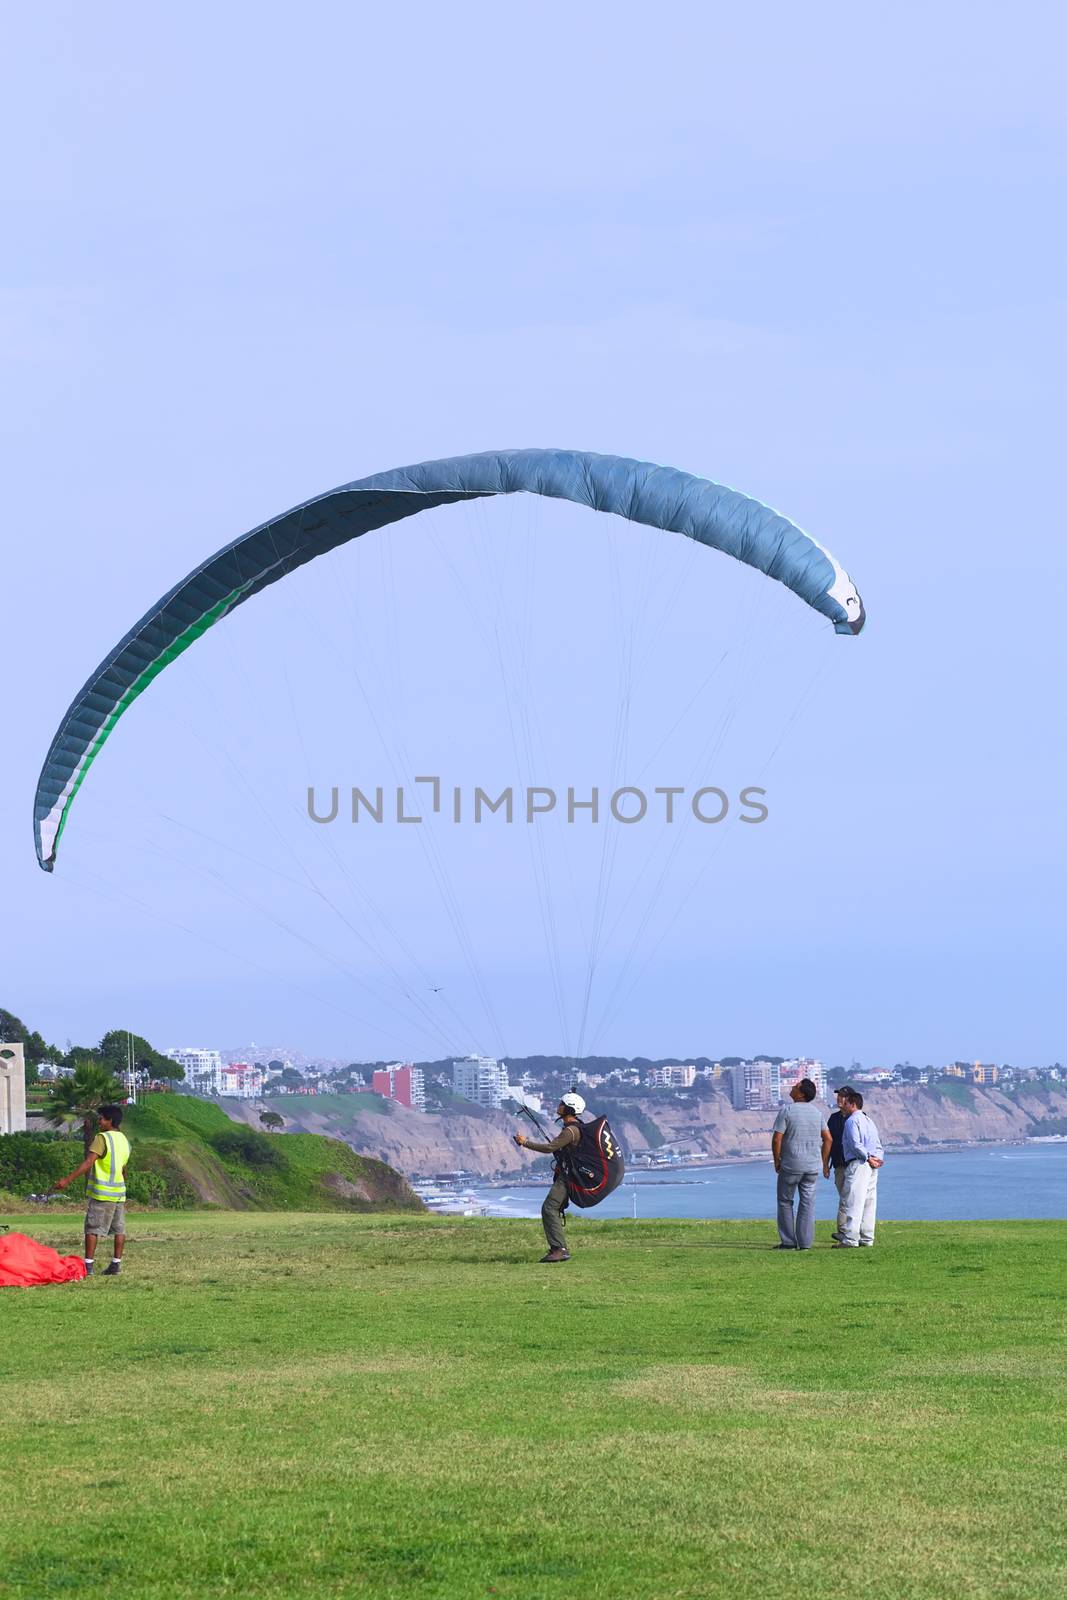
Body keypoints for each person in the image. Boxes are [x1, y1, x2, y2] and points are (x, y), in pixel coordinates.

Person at [54, 1103, 131, 1276]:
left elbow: (89, 1162)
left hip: (102, 1192)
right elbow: (124, 1169)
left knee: (92, 1228)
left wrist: (67, 1180)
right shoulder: (124, 1140)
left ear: (109, 1120)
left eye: (101, 1118)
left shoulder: (102, 1138)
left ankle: (88, 1266)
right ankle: (115, 1265)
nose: (99, 1121)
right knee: (119, 1229)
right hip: (119, 1193)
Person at [513, 1093, 585, 1262]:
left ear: (568, 1109)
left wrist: (525, 1142)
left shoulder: (570, 1131)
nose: (558, 1105)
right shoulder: (575, 1128)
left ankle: (559, 1249)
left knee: (549, 1208)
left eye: (561, 1103)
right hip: (568, 1174)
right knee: (552, 1208)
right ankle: (558, 1248)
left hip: (568, 1177)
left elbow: (548, 1148)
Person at [771, 1079, 832, 1250]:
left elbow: (777, 1138)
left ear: (801, 1093)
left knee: (785, 1201)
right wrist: (823, 1161)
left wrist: (777, 1160)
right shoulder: (817, 1113)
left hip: (791, 1165)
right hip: (812, 1167)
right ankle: (805, 1244)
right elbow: (828, 1139)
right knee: (807, 1203)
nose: (792, 1087)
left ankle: (789, 1242)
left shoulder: (787, 1111)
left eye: (795, 1086)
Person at [834, 1090, 885, 1248]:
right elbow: (878, 1144)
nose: (844, 1105)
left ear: (853, 1104)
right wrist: (877, 1159)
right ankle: (867, 1237)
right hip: (871, 1165)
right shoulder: (869, 1121)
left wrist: (867, 1157)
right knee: (869, 1202)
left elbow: (856, 1144)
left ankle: (850, 1239)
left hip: (859, 1163)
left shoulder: (851, 1121)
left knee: (854, 1201)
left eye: (846, 1102)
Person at [824, 1084, 857, 1239]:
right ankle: (846, 1231)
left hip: (854, 1164)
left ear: (850, 1099)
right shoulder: (834, 1118)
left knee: (849, 1198)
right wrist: (825, 1164)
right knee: (844, 1197)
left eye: (843, 1096)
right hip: (838, 1164)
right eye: (838, 1096)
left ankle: (846, 1231)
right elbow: (828, 1142)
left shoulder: (857, 1118)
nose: (839, 1098)